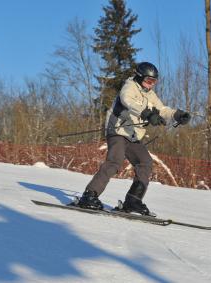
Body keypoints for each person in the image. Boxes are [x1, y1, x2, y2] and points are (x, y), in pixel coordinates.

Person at [78, 62, 191, 215]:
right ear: (139, 77)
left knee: (145, 162)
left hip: (133, 135)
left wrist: (177, 114)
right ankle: (89, 196)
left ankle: (133, 200)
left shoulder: (149, 94)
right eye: (148, 81)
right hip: (118, 130)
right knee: (114, 162)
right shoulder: (129, 87)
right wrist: (147, 114)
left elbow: (162, 109)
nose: (150, 85)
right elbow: (128, 101)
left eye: (154, 82)